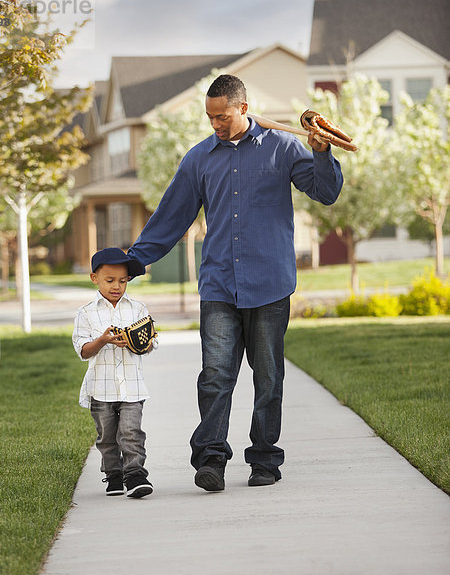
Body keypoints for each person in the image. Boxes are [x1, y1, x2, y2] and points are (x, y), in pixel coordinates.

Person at [128, 74, 343, 492]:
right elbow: (173, 215)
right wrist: (136, 260)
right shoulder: (199, 159)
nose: (216, 125)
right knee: (215, 376)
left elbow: (326, 192)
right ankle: (210, 459)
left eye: (222, 116)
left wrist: (322, 153)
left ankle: (264, 460)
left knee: (268, 378)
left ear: (243, 108)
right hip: (220, 285)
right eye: (210, 118)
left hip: (270, 284)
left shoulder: (283, 147)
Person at [72, 247, 156, 498]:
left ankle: (136, 475)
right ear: (94, 278)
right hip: (100, 388)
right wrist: (104, 340)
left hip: (132, 386)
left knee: (131, 433)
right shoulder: (86, 313)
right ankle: (114, 475)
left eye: (122, 281)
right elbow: (83, 350)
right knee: (107, 438)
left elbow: (149, 345)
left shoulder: (138, 309)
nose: (116, 286)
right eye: (110, 280)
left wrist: (138, 341)